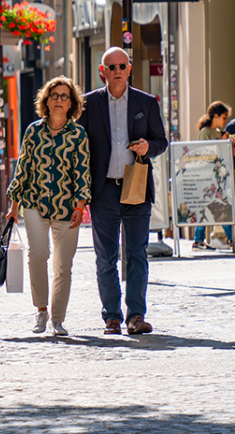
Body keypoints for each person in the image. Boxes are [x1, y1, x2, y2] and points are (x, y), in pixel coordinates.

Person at [77, 47, 168, 336]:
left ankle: (136, 316)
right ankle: (112, 317)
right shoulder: (88, 104)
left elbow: (161, 141)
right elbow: (78, 147)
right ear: (102, 71)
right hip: (104, 190)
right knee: (105, 257)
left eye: (122, 66)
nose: (117, 71)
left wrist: (147, 148)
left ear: (130, 69)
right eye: (111, 66)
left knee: (137, 255)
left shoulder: (147, 102)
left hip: (136, 186)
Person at [6, 77, 91, 337]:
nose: (59, 100)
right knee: (38, 255)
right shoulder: (33, 131)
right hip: (34, 203)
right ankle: (41, 310)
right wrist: (14, 204)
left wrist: (80, 205)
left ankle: (57, 319)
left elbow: (82, 171)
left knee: (63, 265)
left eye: (64, 96)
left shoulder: (78, 134)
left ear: (71, 102)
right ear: (46, 100)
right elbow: (23, 169)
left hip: (67, 206)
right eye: (54, 95)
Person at [193, 101, 232, 250]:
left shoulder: (218, 132)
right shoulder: (206, 132)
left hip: (217, 176)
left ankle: (198, 241)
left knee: (210, 208)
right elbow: (204, 152)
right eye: (223, 117)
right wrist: (221, 142)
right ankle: (231, 238)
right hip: (208, 176)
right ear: (215, 116)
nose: (225, 121)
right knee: (220, 208)